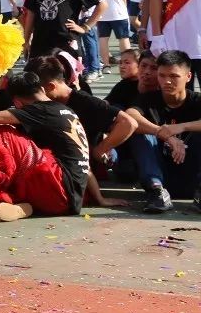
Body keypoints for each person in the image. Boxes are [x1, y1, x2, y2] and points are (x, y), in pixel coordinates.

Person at [0, 72, 90, 218]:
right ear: (41, 88)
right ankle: (25, 207)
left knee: (1, 131)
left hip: (59, 190)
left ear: (17, 102)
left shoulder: (41, 110)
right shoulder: (64, 109)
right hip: (71, 199)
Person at [24, 55, 135, 207]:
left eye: (36, 92)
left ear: (49, 87)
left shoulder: (85, 103)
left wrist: (99, 149)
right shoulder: (43, 104)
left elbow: (128, 123)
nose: (34, 98)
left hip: (76, 173)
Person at [127, 50, 201, 213]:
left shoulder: (196, 100)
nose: (167, 81)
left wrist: (182, 127)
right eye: (162, 75)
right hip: (160, 175)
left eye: (174, 76)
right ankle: (157, 193)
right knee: (139, 132)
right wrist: (163, 133)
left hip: (193, 174)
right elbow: (130, 116)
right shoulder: (149, 99)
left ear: (188, 77)